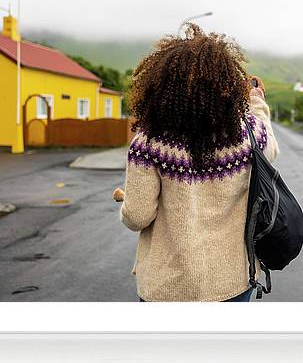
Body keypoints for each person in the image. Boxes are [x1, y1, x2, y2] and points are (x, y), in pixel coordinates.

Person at [116, 23, 279, 302]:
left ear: (161, 87)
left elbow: (137, 217)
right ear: (226, 87)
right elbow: (270, 145)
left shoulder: (148, 143)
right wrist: (257, 101)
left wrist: (127, 200)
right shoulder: (248, 135)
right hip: (233, 283)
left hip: (166, 288)